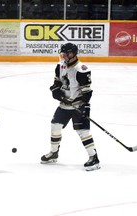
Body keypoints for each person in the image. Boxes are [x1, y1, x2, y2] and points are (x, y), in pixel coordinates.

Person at [40, 42, 100, 171]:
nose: (64, 55)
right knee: (55, 126)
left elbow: (87, 92)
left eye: (67, 53)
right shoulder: (60, 66)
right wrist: (56, 90)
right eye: (63, 53)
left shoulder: (81, 69)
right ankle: (54, 153)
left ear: (73, 54)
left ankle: (94, 158)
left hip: (77, 105)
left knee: (83, 132)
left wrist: (85, 107)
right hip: (64, 105)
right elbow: (57, 81)